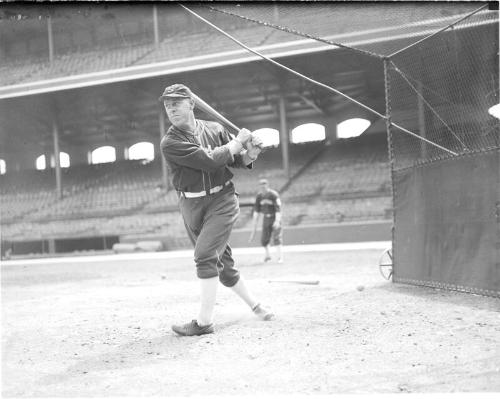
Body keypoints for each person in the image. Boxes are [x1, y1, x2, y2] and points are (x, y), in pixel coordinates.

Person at [159, 83, 274, 337]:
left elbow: (235, 161)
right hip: (190, 205)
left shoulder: (215, 128)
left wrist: (250, 154)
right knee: (223, 263)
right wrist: (236, 144)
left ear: (191, 104)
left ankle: (204, 322)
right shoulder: (170, 142)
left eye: (176, 103)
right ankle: (256, 306)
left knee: (204, 255)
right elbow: (209, 160)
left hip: (222, 199)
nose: (171, 108)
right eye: (167, 105)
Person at [248, 179, 284, 263]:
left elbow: (278, 209)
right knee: (264, 239)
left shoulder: (273, 194)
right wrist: (254, 222)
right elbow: (256, 210)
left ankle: (280, 257)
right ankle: (268, 256)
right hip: (266, 219)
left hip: (275, 218)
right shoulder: (259, 196)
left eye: (264, 185)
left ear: (267, 185)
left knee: (277, 238)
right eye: (261, 185)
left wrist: (277, 221)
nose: (263, 187)